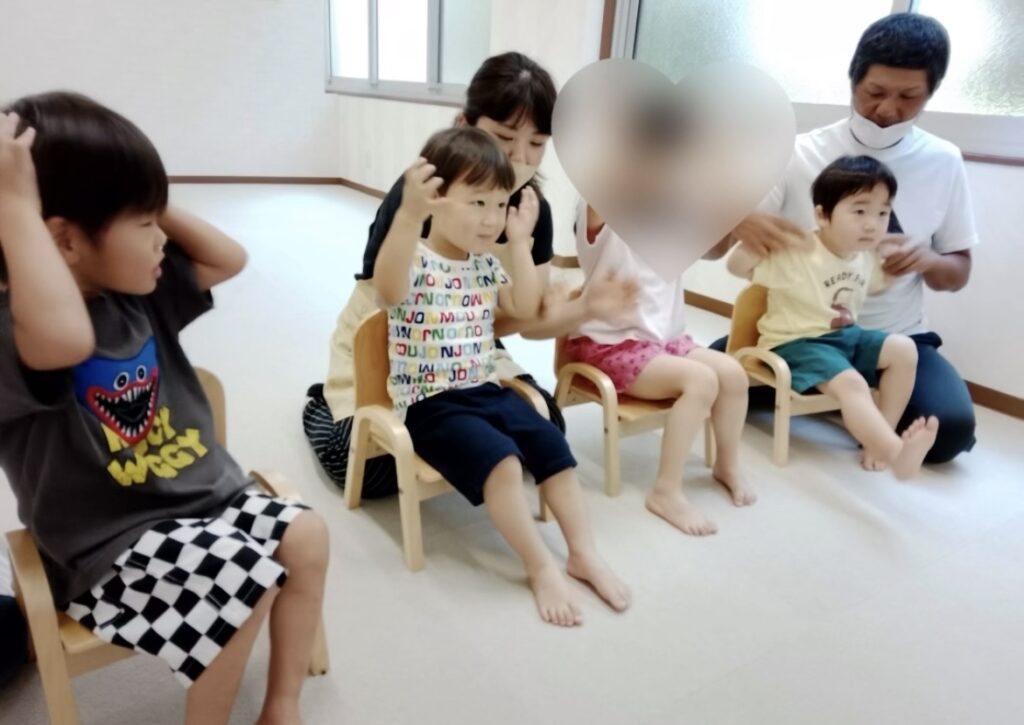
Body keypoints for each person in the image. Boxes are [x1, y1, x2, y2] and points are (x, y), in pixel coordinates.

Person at [0, 94, 328, 724]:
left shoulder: (139, 292)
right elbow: (67, 338)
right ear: (64, 239)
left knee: (307, 535)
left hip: (206, 501)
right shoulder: (19, 333)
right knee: (244, 579)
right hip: (109, 547)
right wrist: (15, 206)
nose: (163, 239)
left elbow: (228, 258)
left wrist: (143, 192)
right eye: (145, 222)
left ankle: (281, 705)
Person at [374, 126, 630, 626]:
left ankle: (583, 554)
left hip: (486, 389)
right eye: (477, 203)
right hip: (431, 403)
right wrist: (407, 215)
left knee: (552, 444)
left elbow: (524, 306)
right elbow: (386, 289)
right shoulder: (415, 259)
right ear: (435, 198)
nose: (492, 218)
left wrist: (520, 242)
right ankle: (539, 567)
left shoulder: (482, 265)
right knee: (504, 463)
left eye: (499, 204)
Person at [712, 13, 977, 465]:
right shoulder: (797, 152)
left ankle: (856, 408)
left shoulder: (944, 161)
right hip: (796, 333)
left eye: (909, 97)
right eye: (875, 92)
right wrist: (738, 220)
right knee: (707, 384)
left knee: (949, 432)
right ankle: (852, 402)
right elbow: (716, 250)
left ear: (931, 92)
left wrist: (928, 260)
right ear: (853, 79)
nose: (888, 110)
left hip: (893, 335)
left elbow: (957, 272)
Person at [727, 155, 938, 478]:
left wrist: (896, 263)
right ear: (822, 215)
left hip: (844, 337)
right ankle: (897, 455)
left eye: (883, 213)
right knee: (852, 384)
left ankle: (879, 439)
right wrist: (763, 241)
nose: (873, 224)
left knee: (904, 349)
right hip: (796, 342)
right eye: (860, 211)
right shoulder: (799, 251)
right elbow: (735, 266)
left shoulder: (863, 256)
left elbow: (876, 285)